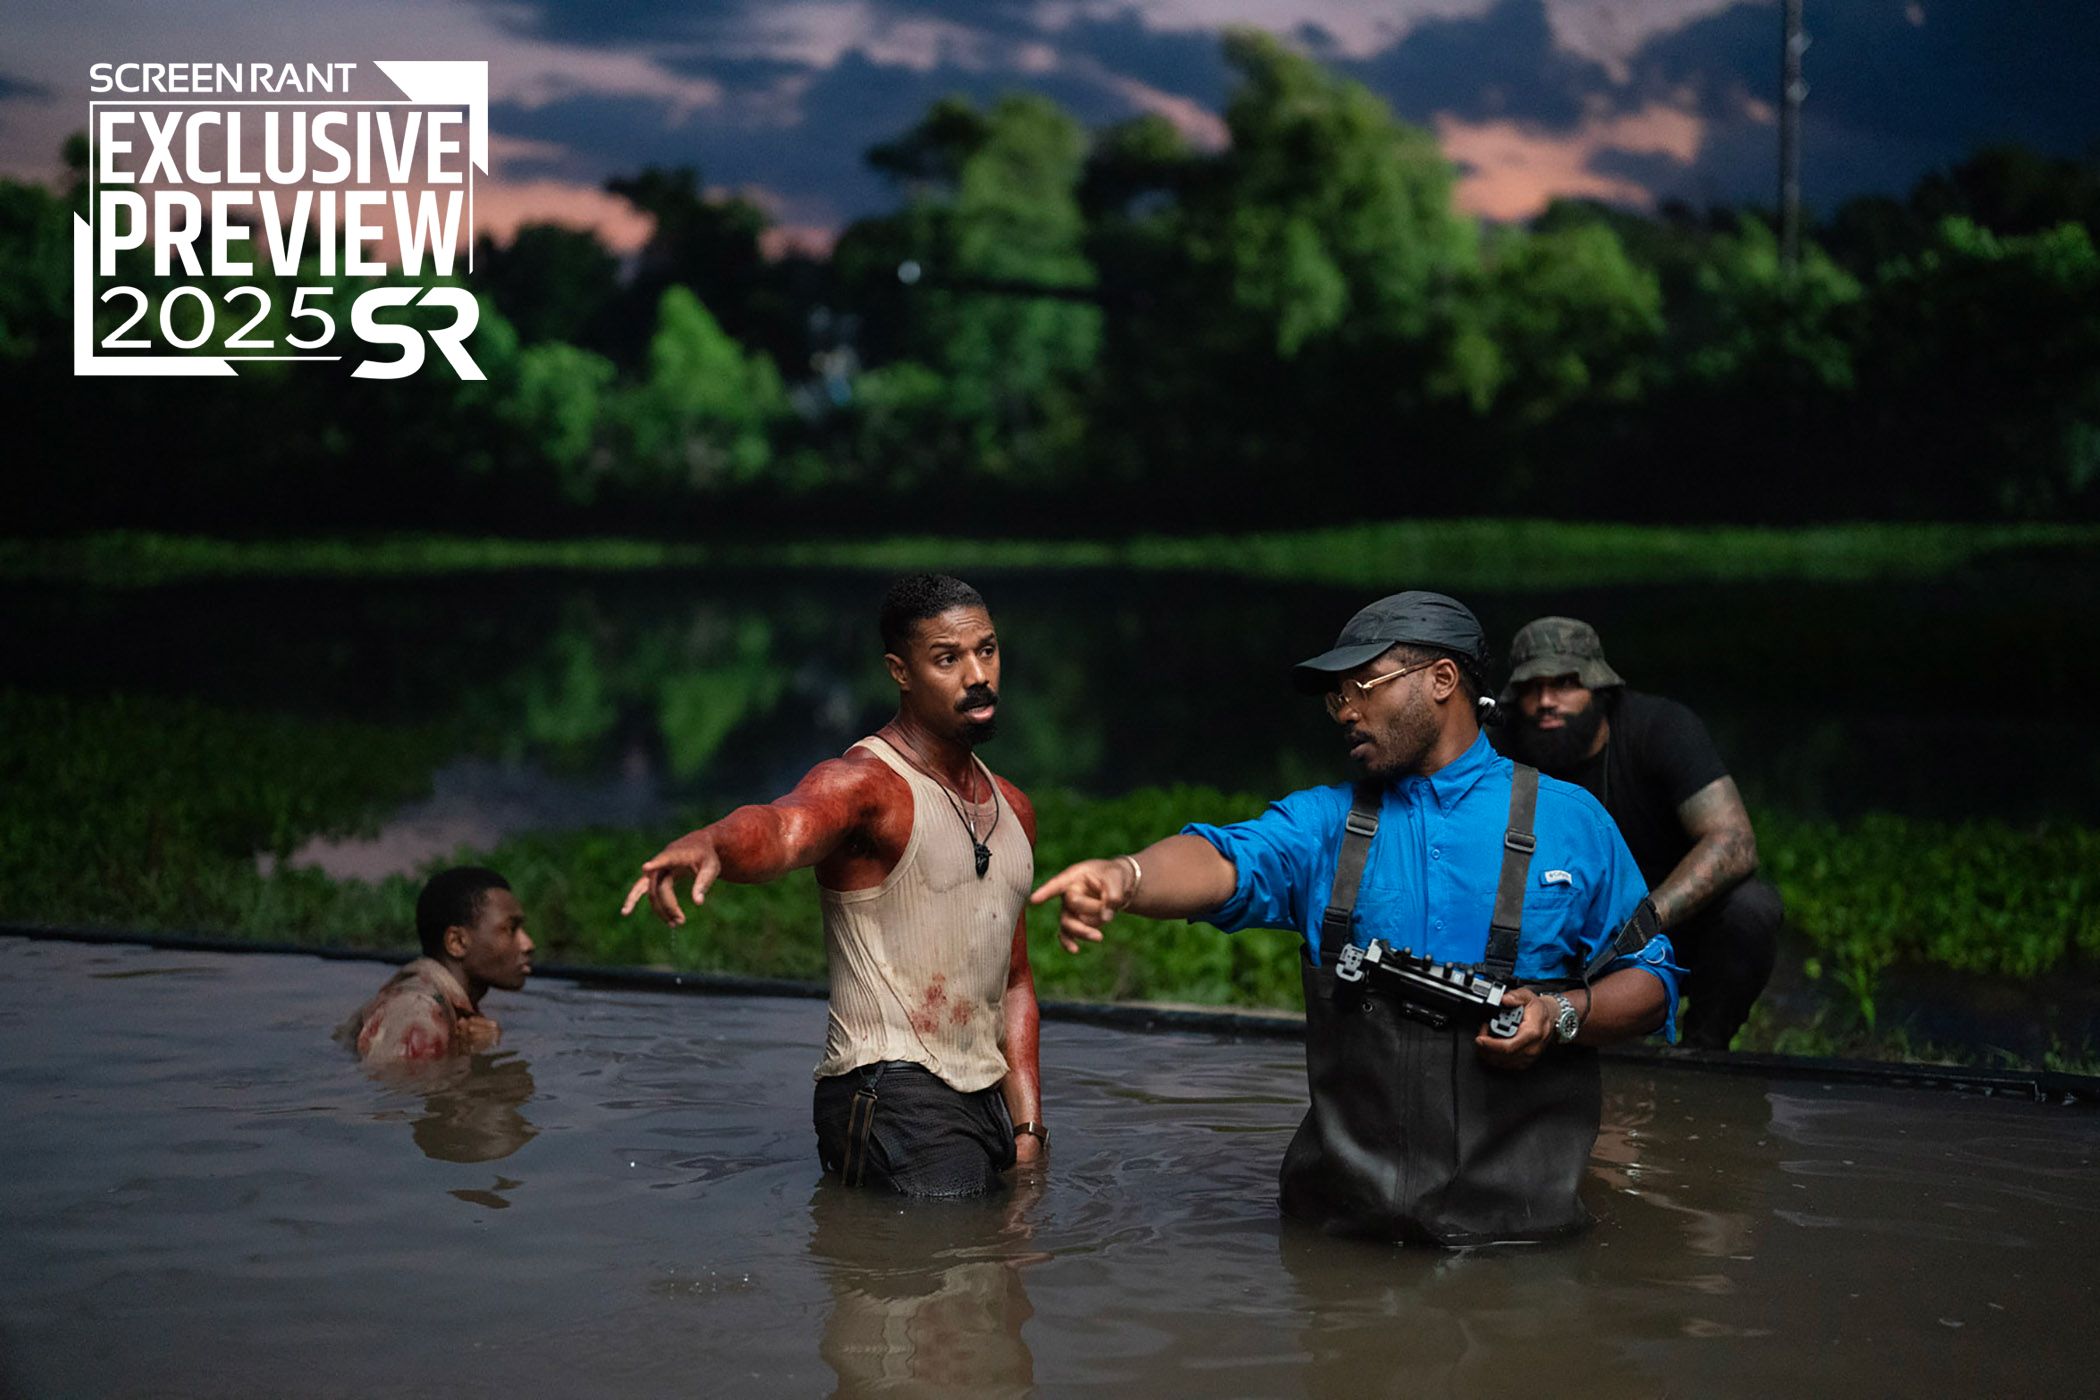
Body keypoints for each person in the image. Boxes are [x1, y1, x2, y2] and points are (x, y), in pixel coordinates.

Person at [1032, 591, 1680, 1245]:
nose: (1345, 711)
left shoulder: (1571, 823)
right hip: (1339, 1236)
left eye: (1362, 687)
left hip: (1522, 1241)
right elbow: (1224, 859)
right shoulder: (1324, 826)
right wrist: (1127, 875)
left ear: (1442, 680)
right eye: (1336, 696)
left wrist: (1561, 1015)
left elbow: (1652, 984)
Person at [621, 574, 1045, 1197]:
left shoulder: (1013, 807)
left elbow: (1013, 981)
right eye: (947, 659)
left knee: (994, 1275)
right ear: (901, 672)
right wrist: (713, 842)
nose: (977, 675)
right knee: (950, 1264)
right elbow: (784, 828)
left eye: (987, 650)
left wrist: (1029, 1126)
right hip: (890, 1089)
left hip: (985, 1101)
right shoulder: (866, 784)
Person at [1494, 616, 1780, 1051]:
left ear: (1599, 688)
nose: (1546, 701)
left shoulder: (1659, 727)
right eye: (1532, 688)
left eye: (1565, 683)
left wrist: (1645, 920)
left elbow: (1733, 841)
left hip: (1666, 921)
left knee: (1750, 908)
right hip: (1558, 931)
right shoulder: (1503, 744)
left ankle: (1701, 1053)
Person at [341, 866, 534, 1062]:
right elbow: (398, 1090)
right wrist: (478, 1056)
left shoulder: (446, 1006)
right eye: (510, 929)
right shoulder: (417, 1011)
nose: (528, 944)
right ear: (456, 942)